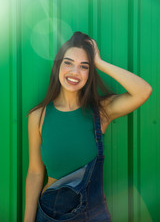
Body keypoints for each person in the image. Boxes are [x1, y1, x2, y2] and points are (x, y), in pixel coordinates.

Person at [24, 31, 152, 222]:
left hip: (94, 215)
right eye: (68, 63)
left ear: (90, 73)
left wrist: (99, 63)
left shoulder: (100, 111)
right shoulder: (38, 116)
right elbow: (35, 172)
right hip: (50, 214)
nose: (74, 72)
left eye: (84, 67)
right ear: (58, 65)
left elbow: (143, 91)